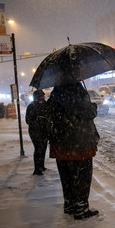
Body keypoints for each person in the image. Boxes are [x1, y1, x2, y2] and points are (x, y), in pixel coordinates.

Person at [47, 82, 100, 220]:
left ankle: (69, 205)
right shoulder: (77, 90)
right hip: (78, 143)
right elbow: (88, 112)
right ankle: (81, 209)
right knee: (82, 177)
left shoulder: (56, 92)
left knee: (66, 176)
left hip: (60, 143)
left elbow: (50, 111)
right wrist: (92, 106)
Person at [25, 89, 49, 175]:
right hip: (35, 131)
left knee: (43, 148)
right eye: (39, 96)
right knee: (38, 149)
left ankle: (41, 166)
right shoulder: (31, 106)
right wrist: (37, 121)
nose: (41, 98)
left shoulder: (46, 105)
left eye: (42, 96)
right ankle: (37, 169)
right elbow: (28, 120)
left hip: (44, 131)